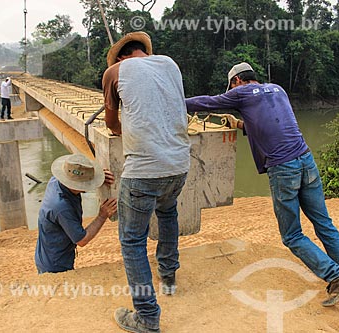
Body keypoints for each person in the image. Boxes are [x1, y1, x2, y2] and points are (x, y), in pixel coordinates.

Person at [185, 62, 339, 307]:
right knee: (324, 224)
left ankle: (337, 277)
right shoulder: (278, 89)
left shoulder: (241, 92)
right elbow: (274, 123)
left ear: (236, 81)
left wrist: (174, 102)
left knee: (292, 235)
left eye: (231, 86)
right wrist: (240, 124)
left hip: (283, 168)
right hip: (306, 160)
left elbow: (205, 102)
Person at [103, 31, 190, 333]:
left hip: (143, 171)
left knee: (132, 242)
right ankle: (168, 276)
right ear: (143, 51)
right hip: (179, 165)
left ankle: (147, 317)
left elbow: (112, 125)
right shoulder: (170, 64)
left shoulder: (113, 72)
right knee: (167, 213)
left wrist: (123, 124)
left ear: (122, 56)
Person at [35, 154, 118, 274]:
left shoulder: (55, 181)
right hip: (56, 264)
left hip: (47, 253)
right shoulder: (61, 207)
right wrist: (102, 215)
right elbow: (82, 240)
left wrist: (98, 176)